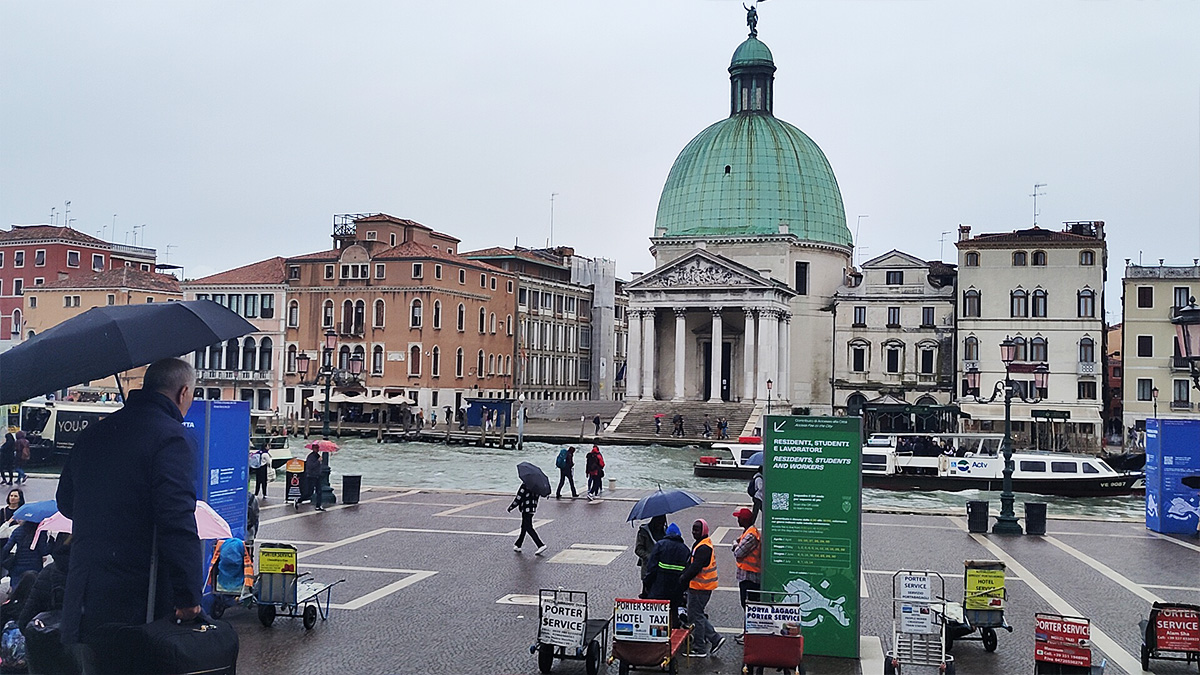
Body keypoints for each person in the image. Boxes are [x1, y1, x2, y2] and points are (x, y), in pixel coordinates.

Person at [56, 358, 203, 673]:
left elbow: (66, 504)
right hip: (138, 603)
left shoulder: (93, 434)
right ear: (183, 393)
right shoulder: (172, 438)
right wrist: (188, 595)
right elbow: (176, 520)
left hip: (84, 600)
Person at [679, 518, 725, 658]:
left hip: (700, 587)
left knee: (696, 616)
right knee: (697, 614)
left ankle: (700, 647)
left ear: (703, 531)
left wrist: (682, 579)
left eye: (697, 529)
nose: (694, 532)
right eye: (693, 529)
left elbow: (695, 567)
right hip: (701, 586)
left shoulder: (703, 547)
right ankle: (714, 639)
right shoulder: (702, 544)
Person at [640, 522, 690, 627]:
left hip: (659, 587)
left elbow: (652, 567)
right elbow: (687, 572)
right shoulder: (685, 549)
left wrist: (647, 583)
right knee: (674, 612)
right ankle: (674, 635)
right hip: (676, 589)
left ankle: (655, 635)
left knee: (656, 613)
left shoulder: (660, 545)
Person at [731, 507, 761, 643]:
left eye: (739, 518)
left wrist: (735, 545)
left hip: (750, 577)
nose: (737, 520)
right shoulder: (748, 532)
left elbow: (738, 553)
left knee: (749, 605)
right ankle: (746, 632)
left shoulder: (751, 535)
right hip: (746, 575)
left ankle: (750, 634)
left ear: (744, 520)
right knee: (747, 605)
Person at [508, 483, 547, 555]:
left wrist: (511, 507)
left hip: (526, 509)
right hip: (532, 509)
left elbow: (518, 498)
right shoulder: (536, 487)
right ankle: (518, 544)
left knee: (528, 527)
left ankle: (540, 545)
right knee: (524, 527)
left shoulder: (525, 485)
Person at [634, 515, 666, 579]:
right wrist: (650, 557)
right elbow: (638, 549)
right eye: (659, 523)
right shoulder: (643, 532)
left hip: (662, 568)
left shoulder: (665, 531)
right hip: (648, 567)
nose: (660, 526)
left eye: (662, 524)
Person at [298, 446, 325, 511]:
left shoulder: (317, 455)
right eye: (316, 448)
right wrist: (318, 461)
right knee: (309, 493)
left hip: (317, 476)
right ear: (313, 449)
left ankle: (318, 506)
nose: (317, 449)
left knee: (319, 491)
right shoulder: (311, 456)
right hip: (311, 476)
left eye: (318, 448)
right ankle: (299, 500)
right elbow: (310, 466)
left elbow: (318, 466)